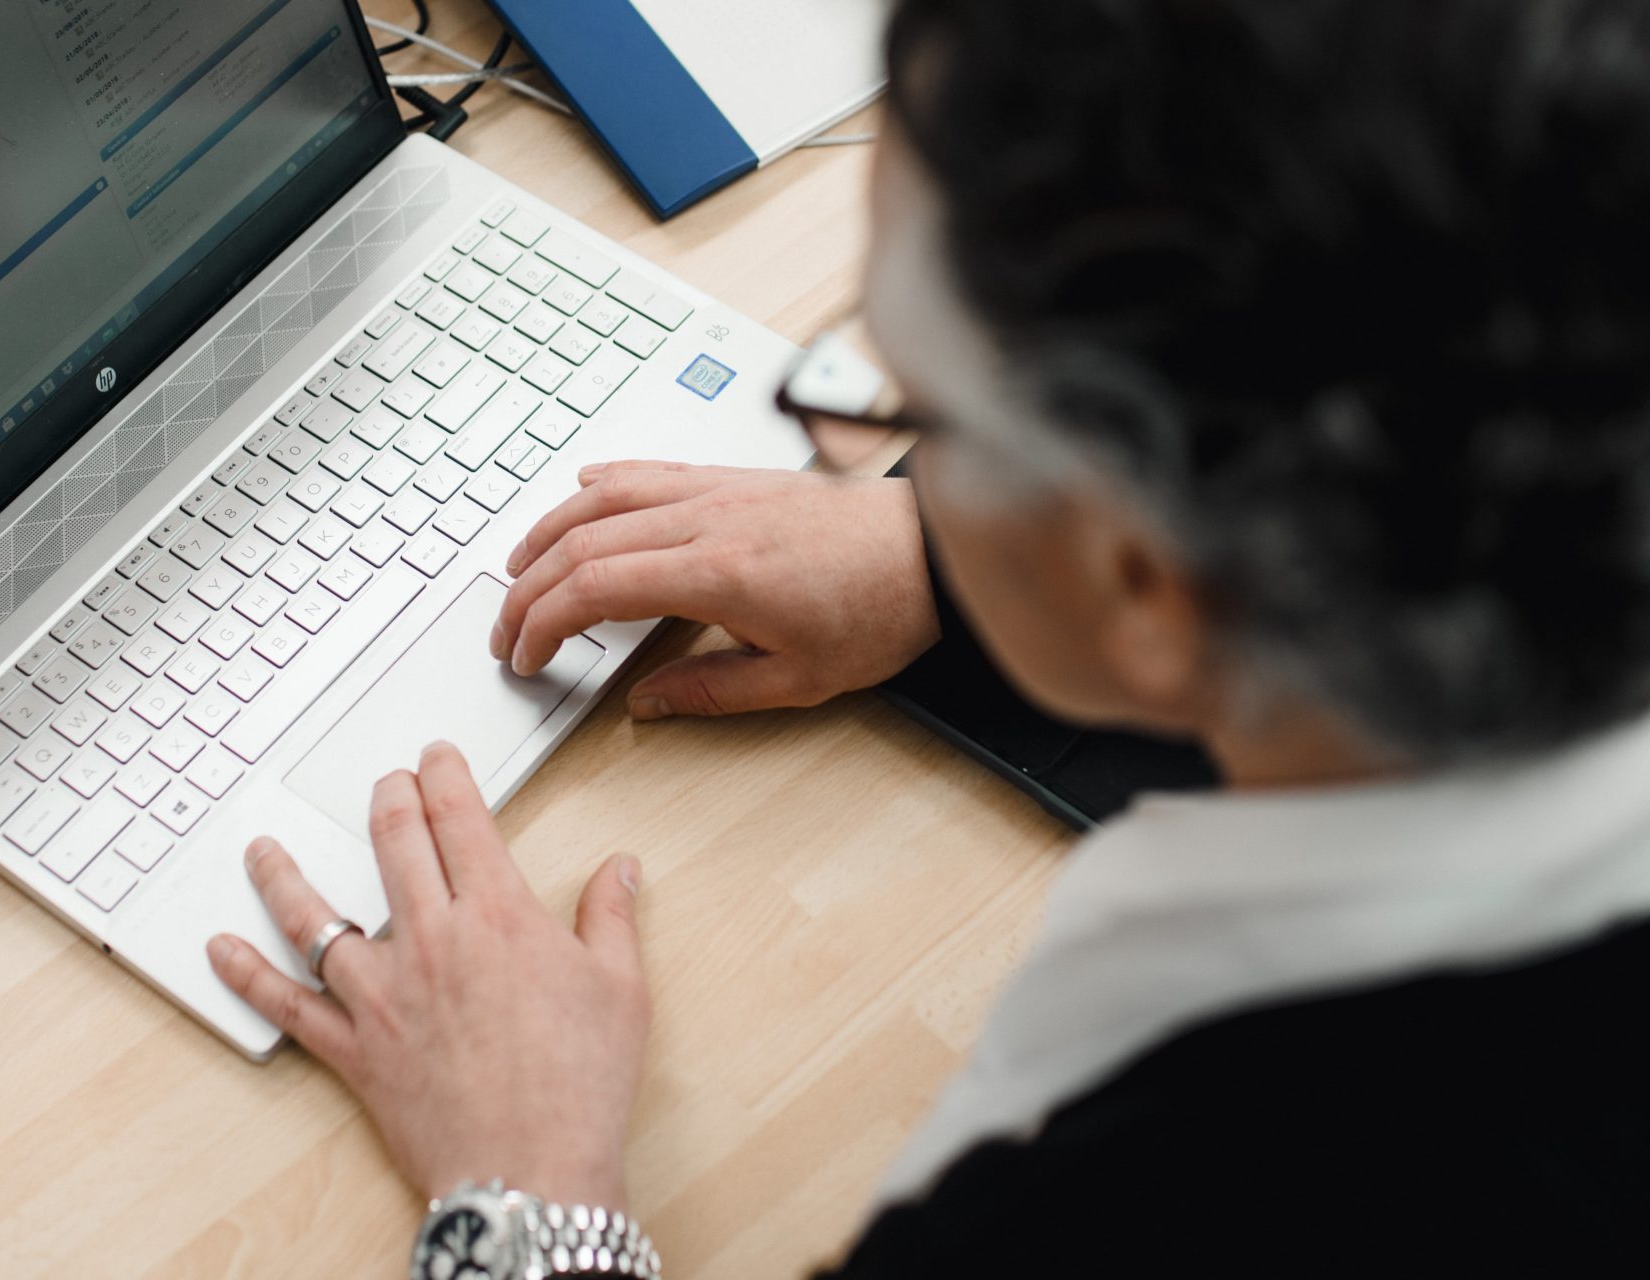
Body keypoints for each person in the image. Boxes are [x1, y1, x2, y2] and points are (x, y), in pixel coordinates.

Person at [205, 0, 1650, 1268]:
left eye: (915, 410)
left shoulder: (1197, 1197)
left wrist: (531, 1191)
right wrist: (952, 553)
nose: (877, 451)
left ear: (1150, 581)